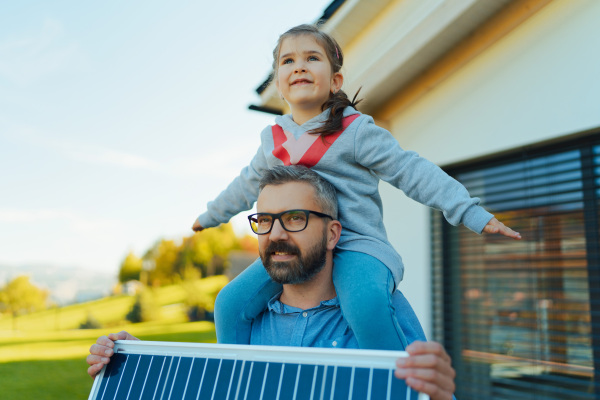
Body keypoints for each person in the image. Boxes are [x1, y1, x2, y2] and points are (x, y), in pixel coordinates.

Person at [192, 24, 521, 351]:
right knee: (229, 304)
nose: (300, 66)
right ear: (278, 84)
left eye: (312, 58)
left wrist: (469, 211)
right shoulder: (272, 141)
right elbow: (246, 184)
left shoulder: (356, 131)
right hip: (297, 246)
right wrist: (210, 215)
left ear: (335, 81)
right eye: (288, 61)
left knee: (365, 305)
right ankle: (236, 375)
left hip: (358, 246)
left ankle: (395, 381)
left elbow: (410, 170)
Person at [87, 165, 456, 399]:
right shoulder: (247, 323)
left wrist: (437, 395)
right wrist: (136, 365)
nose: (275, 234)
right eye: (264, 220)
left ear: (332, 234)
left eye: (294, 218)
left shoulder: (378, 311)